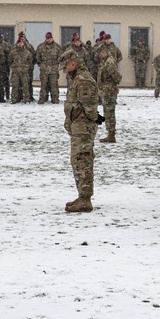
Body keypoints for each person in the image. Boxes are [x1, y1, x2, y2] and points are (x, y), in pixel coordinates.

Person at [60, 50, 102, 213]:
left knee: (82, 159)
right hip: (79, 126)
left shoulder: (83, 80)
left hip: (83, 127)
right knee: (78, 160)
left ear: (73, 63)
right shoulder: (77, 78)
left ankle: (85, 199)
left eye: (65, 67)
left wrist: (85, 121)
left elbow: (90, 108)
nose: (64, 71)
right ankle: (82, 196)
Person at [97, 45, 121, 143]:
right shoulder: (106, 61)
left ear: (104, 52)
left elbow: (116, 76)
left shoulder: (109, 62)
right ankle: (110, 134)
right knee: (108, 112)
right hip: (106, 90)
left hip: (109, 91)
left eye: (100, 53)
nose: (99, 55)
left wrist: (110, 85)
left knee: (109, 113)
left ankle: (111, 135)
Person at [36, 32, 62, 103]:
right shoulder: (41, 47)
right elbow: (37, 58)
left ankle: (55, 99)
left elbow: (60, 58)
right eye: (48, 38)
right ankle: (42, 99)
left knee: (54, 86)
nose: (49, 40)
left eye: (50, 38)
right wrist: (42, 65)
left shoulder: (57, 47)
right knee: (43, 86)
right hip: (44, 69)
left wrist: (56, 65)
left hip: (53, 69)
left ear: (52, 38)